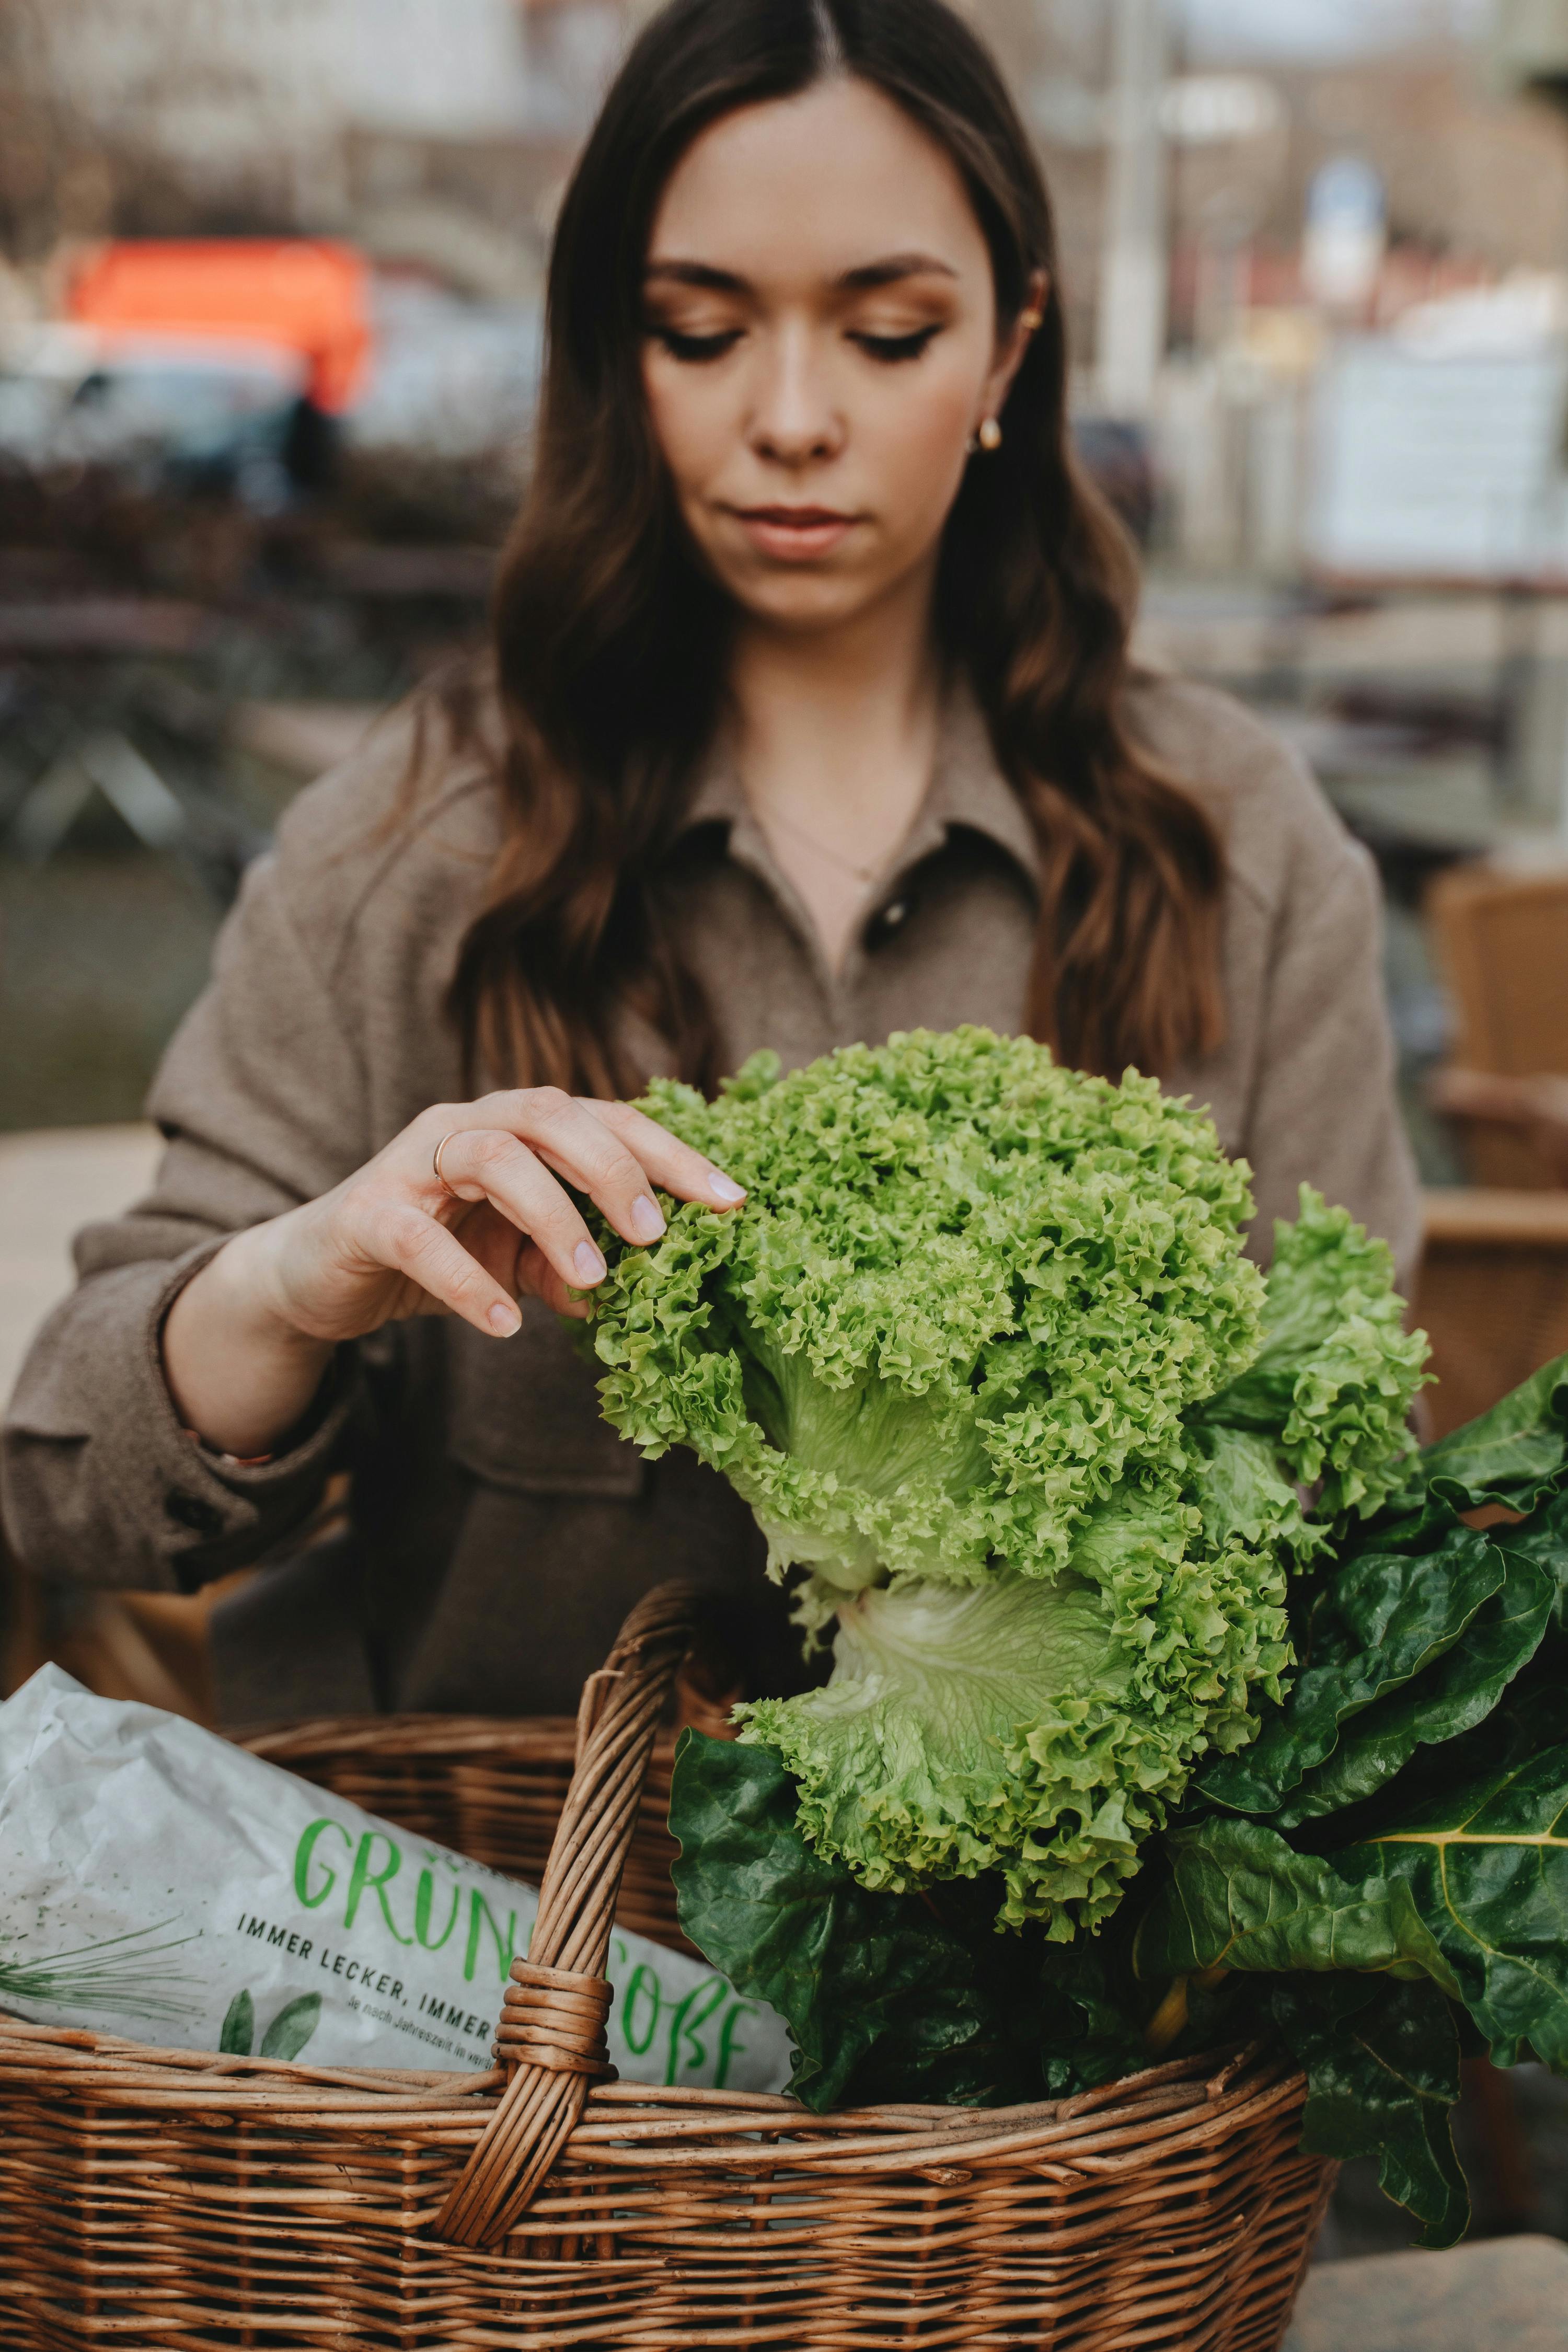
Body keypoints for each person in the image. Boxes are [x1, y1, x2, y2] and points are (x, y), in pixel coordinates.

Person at [2, 0, 1419, 1727]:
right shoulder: (416, 840)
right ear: (617, 348)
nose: (795, 418)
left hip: (1066, 1986)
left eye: (891, 334)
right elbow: (71, 1476)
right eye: (701, 330)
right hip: (503, 1944)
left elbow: (1357, 1477)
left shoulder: (1238, 843)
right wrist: (299, 1276)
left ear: (1011, 346)